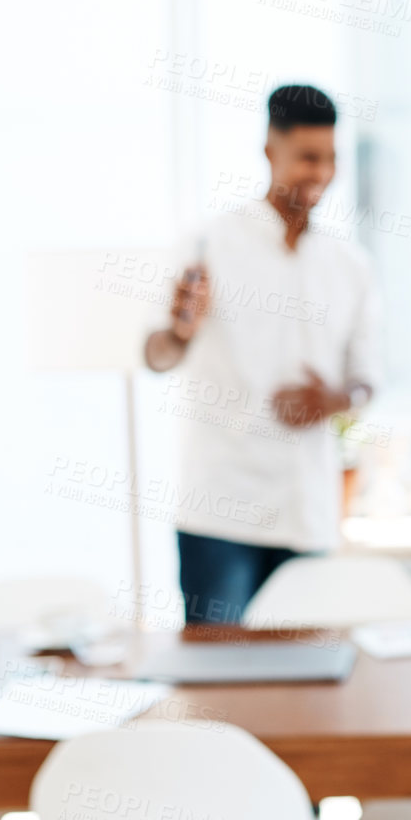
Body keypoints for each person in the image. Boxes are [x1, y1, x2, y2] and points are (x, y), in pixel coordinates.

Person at [145, 84, 380, 627]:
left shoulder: (350, 266)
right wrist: (180, 334)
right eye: (306, 158)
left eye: (330, 158)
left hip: (306, 513)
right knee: (219, 685)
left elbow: (368, 378)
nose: (320, 173)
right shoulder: (209, 244)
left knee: (306, 693)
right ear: (270, 151)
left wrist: (335, 399)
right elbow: (157, 355)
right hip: (219, 513)